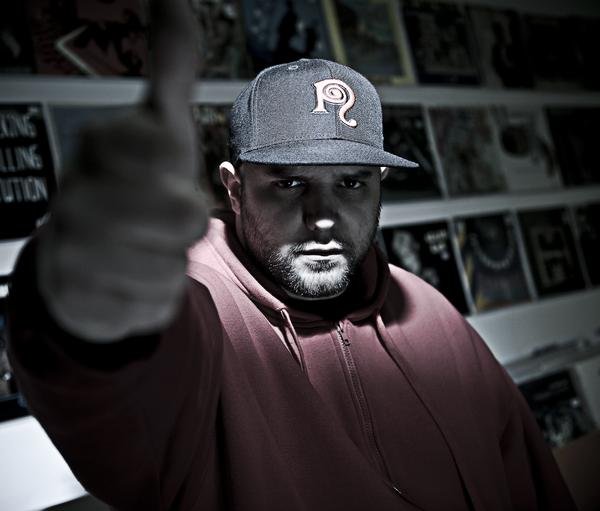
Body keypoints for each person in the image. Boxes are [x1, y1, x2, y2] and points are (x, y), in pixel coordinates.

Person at [7, 1, 575, 510]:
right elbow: (108, 383)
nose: (323, 216)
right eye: (289, 183)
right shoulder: (194, 312)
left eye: (351, 183)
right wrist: (86, 291)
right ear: (233, 189)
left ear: (379, 184)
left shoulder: (430, 314)